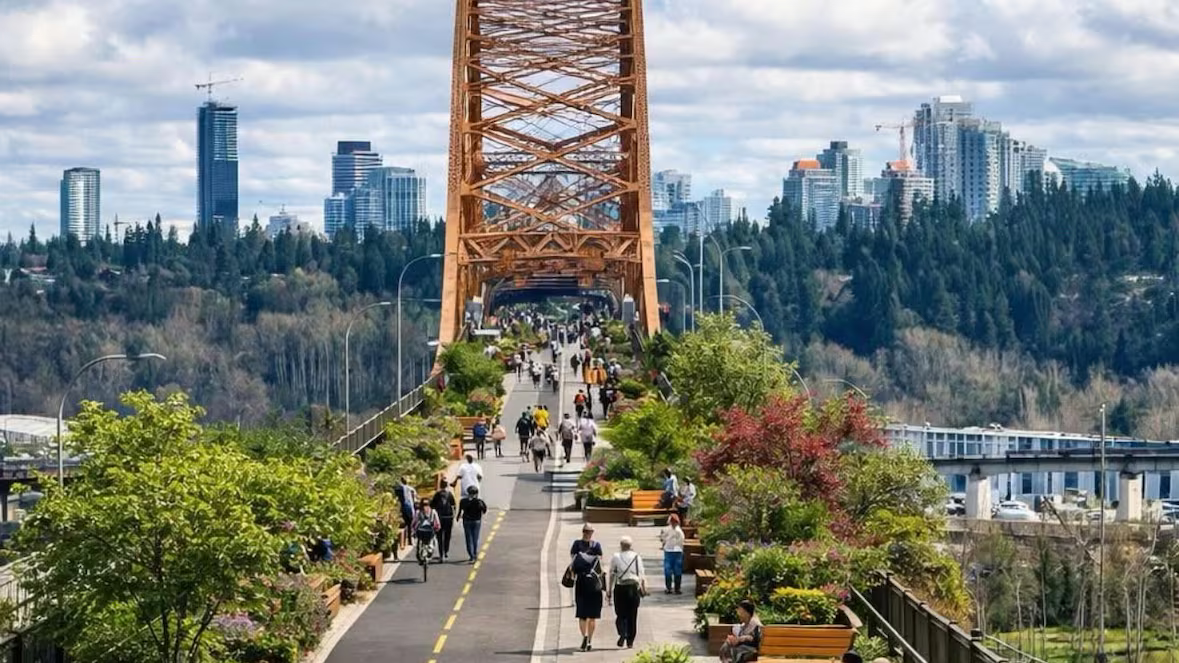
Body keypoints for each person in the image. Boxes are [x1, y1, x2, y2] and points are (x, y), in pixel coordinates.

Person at [606, 535, 647, 649]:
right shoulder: (637, 557)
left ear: (621, 546)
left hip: (620, 587)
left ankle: (622, 633)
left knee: (620, 613)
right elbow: (641, 574)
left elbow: (612, 574)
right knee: (632, 615)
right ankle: (630, 641)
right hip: (633, 587)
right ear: (631, 546)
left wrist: (609, 590)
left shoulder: (616, 556)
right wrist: (643, 588)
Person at [570, 524, 605, 651]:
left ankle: (584, 636)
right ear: (592, 532)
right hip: (594, 583)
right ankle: (590, 640)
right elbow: (601, 563)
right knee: (593, 615)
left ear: (583, 532)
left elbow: (572, 561)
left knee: (582, 614)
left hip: (581, 582)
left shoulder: (576, 544)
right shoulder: (596, 546)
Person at [457, 486, 488, 563]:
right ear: (476, 493)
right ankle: (474, 553)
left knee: (468, 538)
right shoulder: (479, 501)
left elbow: (460, 510)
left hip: (467, 521)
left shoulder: (463, 501)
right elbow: (484, 510)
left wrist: (458, 517)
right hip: (476, 521)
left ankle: (471, 555)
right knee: (475, 538)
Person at [430, 477, 457, 561]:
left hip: (439, 518)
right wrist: (454, 515)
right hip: (449, 517)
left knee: (439, 537)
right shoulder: (450, 494)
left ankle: (441, 554)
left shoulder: (437, 494)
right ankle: (446, 552)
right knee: (447, 536)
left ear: (440, 485)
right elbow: (454, 505)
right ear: (447, 485)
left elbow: (432, 505)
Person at [660, 514, 686, 594]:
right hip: (671, 551)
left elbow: (663, 538)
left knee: (675, 570)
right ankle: (670, 588)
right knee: (669, 570)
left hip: (675, 551)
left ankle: (676, 588)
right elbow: (663, 538)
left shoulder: (678, 531)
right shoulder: (668, 529)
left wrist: (664, 541)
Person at [393, 477, 418, 553]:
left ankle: (403, 543)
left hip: (402, 508)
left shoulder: (398, 489)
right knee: (410, 524)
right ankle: (410, 540)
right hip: (410, 508)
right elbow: (414, 499)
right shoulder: (411, 489)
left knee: (404, 525)